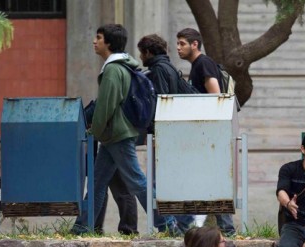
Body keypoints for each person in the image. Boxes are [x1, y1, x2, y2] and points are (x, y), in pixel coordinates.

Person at [70, 24, 181, 236]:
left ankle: (167, 223)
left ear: (109, 43)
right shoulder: (122, 66)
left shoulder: (113, 70)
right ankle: (82, 227)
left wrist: (94, 132)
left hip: (117, 136)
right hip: (115, 135)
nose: (95, 41)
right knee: (97, 183)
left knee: (137, 182)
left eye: (99, 37)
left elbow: (105, 106)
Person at [176, 27, 235, 236]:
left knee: (210, 180)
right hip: (205, 134)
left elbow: (215, 96)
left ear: (195, 44)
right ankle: (220, 229)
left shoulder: (203, 63)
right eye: (177, 43)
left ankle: (225, 230)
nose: (178, 48)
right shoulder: (197, 65)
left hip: (209, 134)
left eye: (182, 43)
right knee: (208, 180)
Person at [137, 34, 195, 232]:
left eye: (141, 53)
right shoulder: (169, 68)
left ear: (148, 52)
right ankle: (181, 223)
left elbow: (161, 102)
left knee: (159, 181)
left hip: (165, 135)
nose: (140, 57)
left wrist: (155, 133)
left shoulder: (158, 70)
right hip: (174, 132)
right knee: (171, 180)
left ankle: (177, 225)